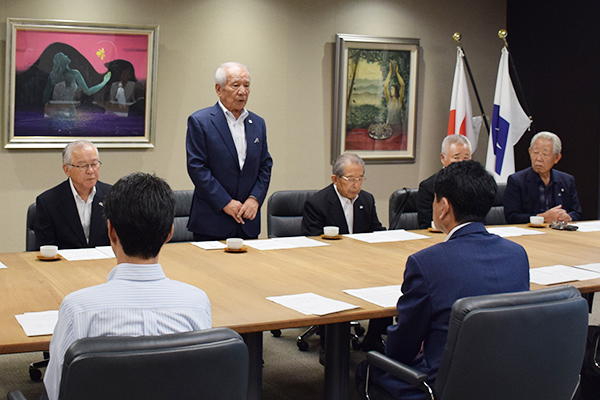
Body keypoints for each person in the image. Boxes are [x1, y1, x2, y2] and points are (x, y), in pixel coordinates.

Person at [356, 161, 530, 399]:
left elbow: (403, 347)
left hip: (444, 385)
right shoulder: (517, 254)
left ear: (443, 207)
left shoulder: (427, 262)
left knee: (366, 369)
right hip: (509, 378)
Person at [43, 172, 212, 400]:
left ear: (111, 231)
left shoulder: (77, 309)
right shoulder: (197, 303)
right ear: (169, 233)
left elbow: (56, 392)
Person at [301, 153, 388, 352]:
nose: (356, 185)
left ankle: (374, 338)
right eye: (350, 179)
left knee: (384, 278)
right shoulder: (318, 203)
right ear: (335, 179)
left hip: (361, 263)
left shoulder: (367, 199)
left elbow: (375, 231)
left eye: (360, 179)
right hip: (328, 266)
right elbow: (311, 243)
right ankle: (328, 344)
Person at [186, 62, 273, 241]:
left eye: (247, 86)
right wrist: (225, 202)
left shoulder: (258, 123)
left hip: (247, 221)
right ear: (219, 89)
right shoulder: (200, 121)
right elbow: (197, 167)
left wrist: (254, 199)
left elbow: (265, 165)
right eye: (236, 85)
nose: (242, 91)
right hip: (212, 221)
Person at [35, 140, 111, 250]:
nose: (90, 171)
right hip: (63, 265)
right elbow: (45, 249)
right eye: (83, 166)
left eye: (94, 164)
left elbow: (122, 243)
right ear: (67, 170)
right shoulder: (48, 202)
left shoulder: (113, 196)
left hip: (105, 265)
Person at [504, 131, 582, 224]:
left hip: (559, 232)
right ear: (530, 152)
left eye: (545, 154)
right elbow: (511, 217)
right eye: (535, 152)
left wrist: (567, 217)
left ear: (557, 158)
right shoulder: (516, 181)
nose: (538, 158)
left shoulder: (567, 180)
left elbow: (577, 213)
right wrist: (541, 218)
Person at [416, 135, 471, 229]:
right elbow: (426, 225)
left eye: (466, 159)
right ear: (443, 158)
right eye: (456, 158)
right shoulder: (428, 187)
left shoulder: (475, 186)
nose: (461, 163)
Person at [43, 52, 111, 105]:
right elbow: (88, 91)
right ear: (62, 60)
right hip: (66, 108)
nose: (66, 56)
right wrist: (104, 81)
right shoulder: (74, 73)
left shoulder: (54, 75)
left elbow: (45, 96)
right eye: (64, 55)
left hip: (62, 107)